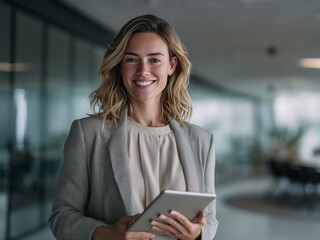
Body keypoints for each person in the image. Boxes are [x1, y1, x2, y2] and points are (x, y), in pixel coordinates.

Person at [49, 14, 218, 240]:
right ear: (120, 65)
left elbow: (210, 219)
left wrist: (197, 235)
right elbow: (62, 217)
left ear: (171, 65)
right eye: (131, 59)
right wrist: (107, 234)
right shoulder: (87, 134)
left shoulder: (202, 141)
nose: (142, 70)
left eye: (154, 59)